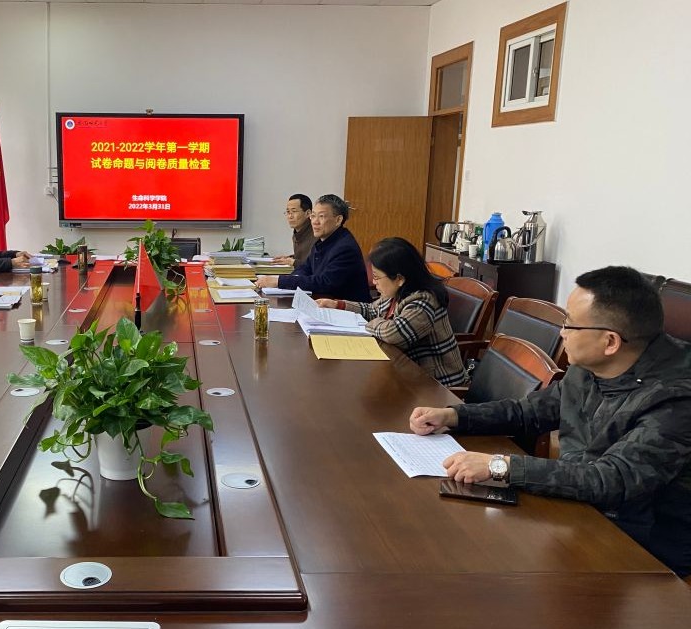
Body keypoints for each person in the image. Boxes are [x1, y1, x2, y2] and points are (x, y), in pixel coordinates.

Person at [409, 266, 691, 577]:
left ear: (610, 341)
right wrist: (454, 416)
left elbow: (612, 479)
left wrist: (500, 466)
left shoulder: (676, 399)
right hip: (577, 509)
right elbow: (530, 412)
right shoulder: (592, 364)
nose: (561, 333)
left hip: (639, 549)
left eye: (570, 324)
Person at [316, 237, 467, 386]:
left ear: (399, 279)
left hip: (438, 386)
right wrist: (338, 305)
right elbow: (372, 310)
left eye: (377, 277)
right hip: (408, 374)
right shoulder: (397, 292)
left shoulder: (423, 300)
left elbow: (395, 333)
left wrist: (368, 325)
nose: (374, 282)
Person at [254, 194, 370, 301]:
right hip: (323, 303)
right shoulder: (322, 241)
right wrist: (284, 280)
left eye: (321, 216)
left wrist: (279, 281)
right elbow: (305, 268)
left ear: (338, 220)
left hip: (346, 310)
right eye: (313, 216)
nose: (315, 222)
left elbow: (324, 283)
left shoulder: (344, 248)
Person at [272, 193, 317, 268]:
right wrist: (289, 258)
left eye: (294, 211)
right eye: (288, 212)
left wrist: (293, 262)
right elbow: (303, 257)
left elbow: (316, 265)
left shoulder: (316, 233)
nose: (290, 216)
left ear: (308, 213)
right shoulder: (297, 233)